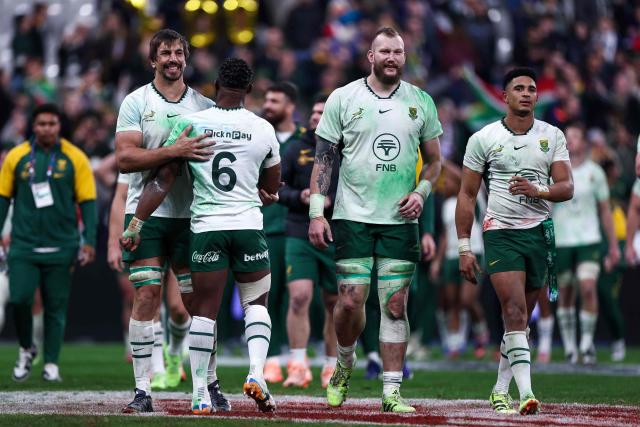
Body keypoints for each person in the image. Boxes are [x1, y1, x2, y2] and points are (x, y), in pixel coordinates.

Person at [121, 57, 281, 414]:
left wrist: (136, 223)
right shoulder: (263, 128)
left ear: (214, 88)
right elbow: (271, 187)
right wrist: (260, 189)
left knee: (203, 311)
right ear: (250, 90)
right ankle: (257, 372)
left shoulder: (192, 124)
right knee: (256, 304)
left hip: (206, 227)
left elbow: (163, 179)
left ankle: (198, 394)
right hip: (248, 227)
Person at [308, 27, 442, 413]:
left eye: (398, 52)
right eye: (384, 51)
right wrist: (318, 212)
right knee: (350, 302)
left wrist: (421, 193)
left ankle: (392, 392)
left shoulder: (421, 102)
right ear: (370, 56)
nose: (392, 58)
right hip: (353, 217)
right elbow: (324, 159)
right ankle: (345, 364)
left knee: (396, 305)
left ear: (404, 57)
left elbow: (434, 162)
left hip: (400, 221)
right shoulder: (343, 98)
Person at [114, 29, 227, 413]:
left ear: (186, 58)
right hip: (145, 215)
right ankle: (143, 390)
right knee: (146, 294)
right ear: (153, 60)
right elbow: (125, 159)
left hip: (193, 216)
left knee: (199, 303)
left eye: (179, 52)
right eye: (165, 53)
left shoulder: (205, 105)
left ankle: (209, 384)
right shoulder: (136, 102)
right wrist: (172, 150)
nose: (173, 59)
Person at [456, 67, 573, 415]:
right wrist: (464, 246)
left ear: (537, 97)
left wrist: (537, 189)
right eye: (518, 88)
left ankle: (498, 389)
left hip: (538, 233)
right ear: (505, 97)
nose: (526, 93)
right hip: (500, 232)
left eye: (531, 89)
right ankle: (527, 394)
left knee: (519, 322)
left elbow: (567, 188)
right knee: (515, 310)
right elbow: (466, 194)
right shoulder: (483, 138)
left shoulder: (552, 135)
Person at [0, 103, 97, 382]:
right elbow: (3, 199)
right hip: (22, 244)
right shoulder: (16, 157)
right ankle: (26, 347)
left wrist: (88, 241)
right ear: (33, 126)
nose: (47, 128)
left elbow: (88, 202)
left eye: (52, 123)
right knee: (19, 299)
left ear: (59, 126)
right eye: (41, 123)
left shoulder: (75, 158)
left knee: (56, 306)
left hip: (62, 245)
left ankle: (52, 363)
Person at [278, 94, 339, 389]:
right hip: (299, 229)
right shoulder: (294, 148)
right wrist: (298, 196)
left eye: (322, 112)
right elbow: (277, 189)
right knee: (299, 296)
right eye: (313, 111)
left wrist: (333, 201)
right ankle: (298, 364)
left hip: (336, 232)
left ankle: (330, 366)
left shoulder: (348, 147)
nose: (315, 117)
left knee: (334, 302)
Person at [552, 123, 619, 365]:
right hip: (562, 239)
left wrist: (613, 245)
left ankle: (587, 343)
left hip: (589, 239)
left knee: (588, 287)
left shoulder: (595, 172)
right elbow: (546, 208)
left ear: (583, 142)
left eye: (576, 136)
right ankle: (570, 347)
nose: (571, 141)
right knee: (567, 292)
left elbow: (605, 211)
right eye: (567, 137)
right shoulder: (554, 171)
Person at [261, 81, 303, 383]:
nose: (268, 105)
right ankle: (273, 359)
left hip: (299, 227)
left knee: (303, 296)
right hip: (269, 226)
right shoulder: (260, 135)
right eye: (267, 100)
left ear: (290, 106)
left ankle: (300, 357)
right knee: (269, 295)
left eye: (274, 101)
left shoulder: (307, 139)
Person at [430, 165, 489, 358]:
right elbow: (446, 235)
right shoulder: (447, 205)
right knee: (452, 301)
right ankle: (455, 343)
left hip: (474, 251)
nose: (443, 185)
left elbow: (464, 177)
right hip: (450, 256)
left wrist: (441, 160)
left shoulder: (474, 197)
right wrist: (438, 261)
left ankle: (481, 332)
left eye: (446, 181)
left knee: (467, 300)